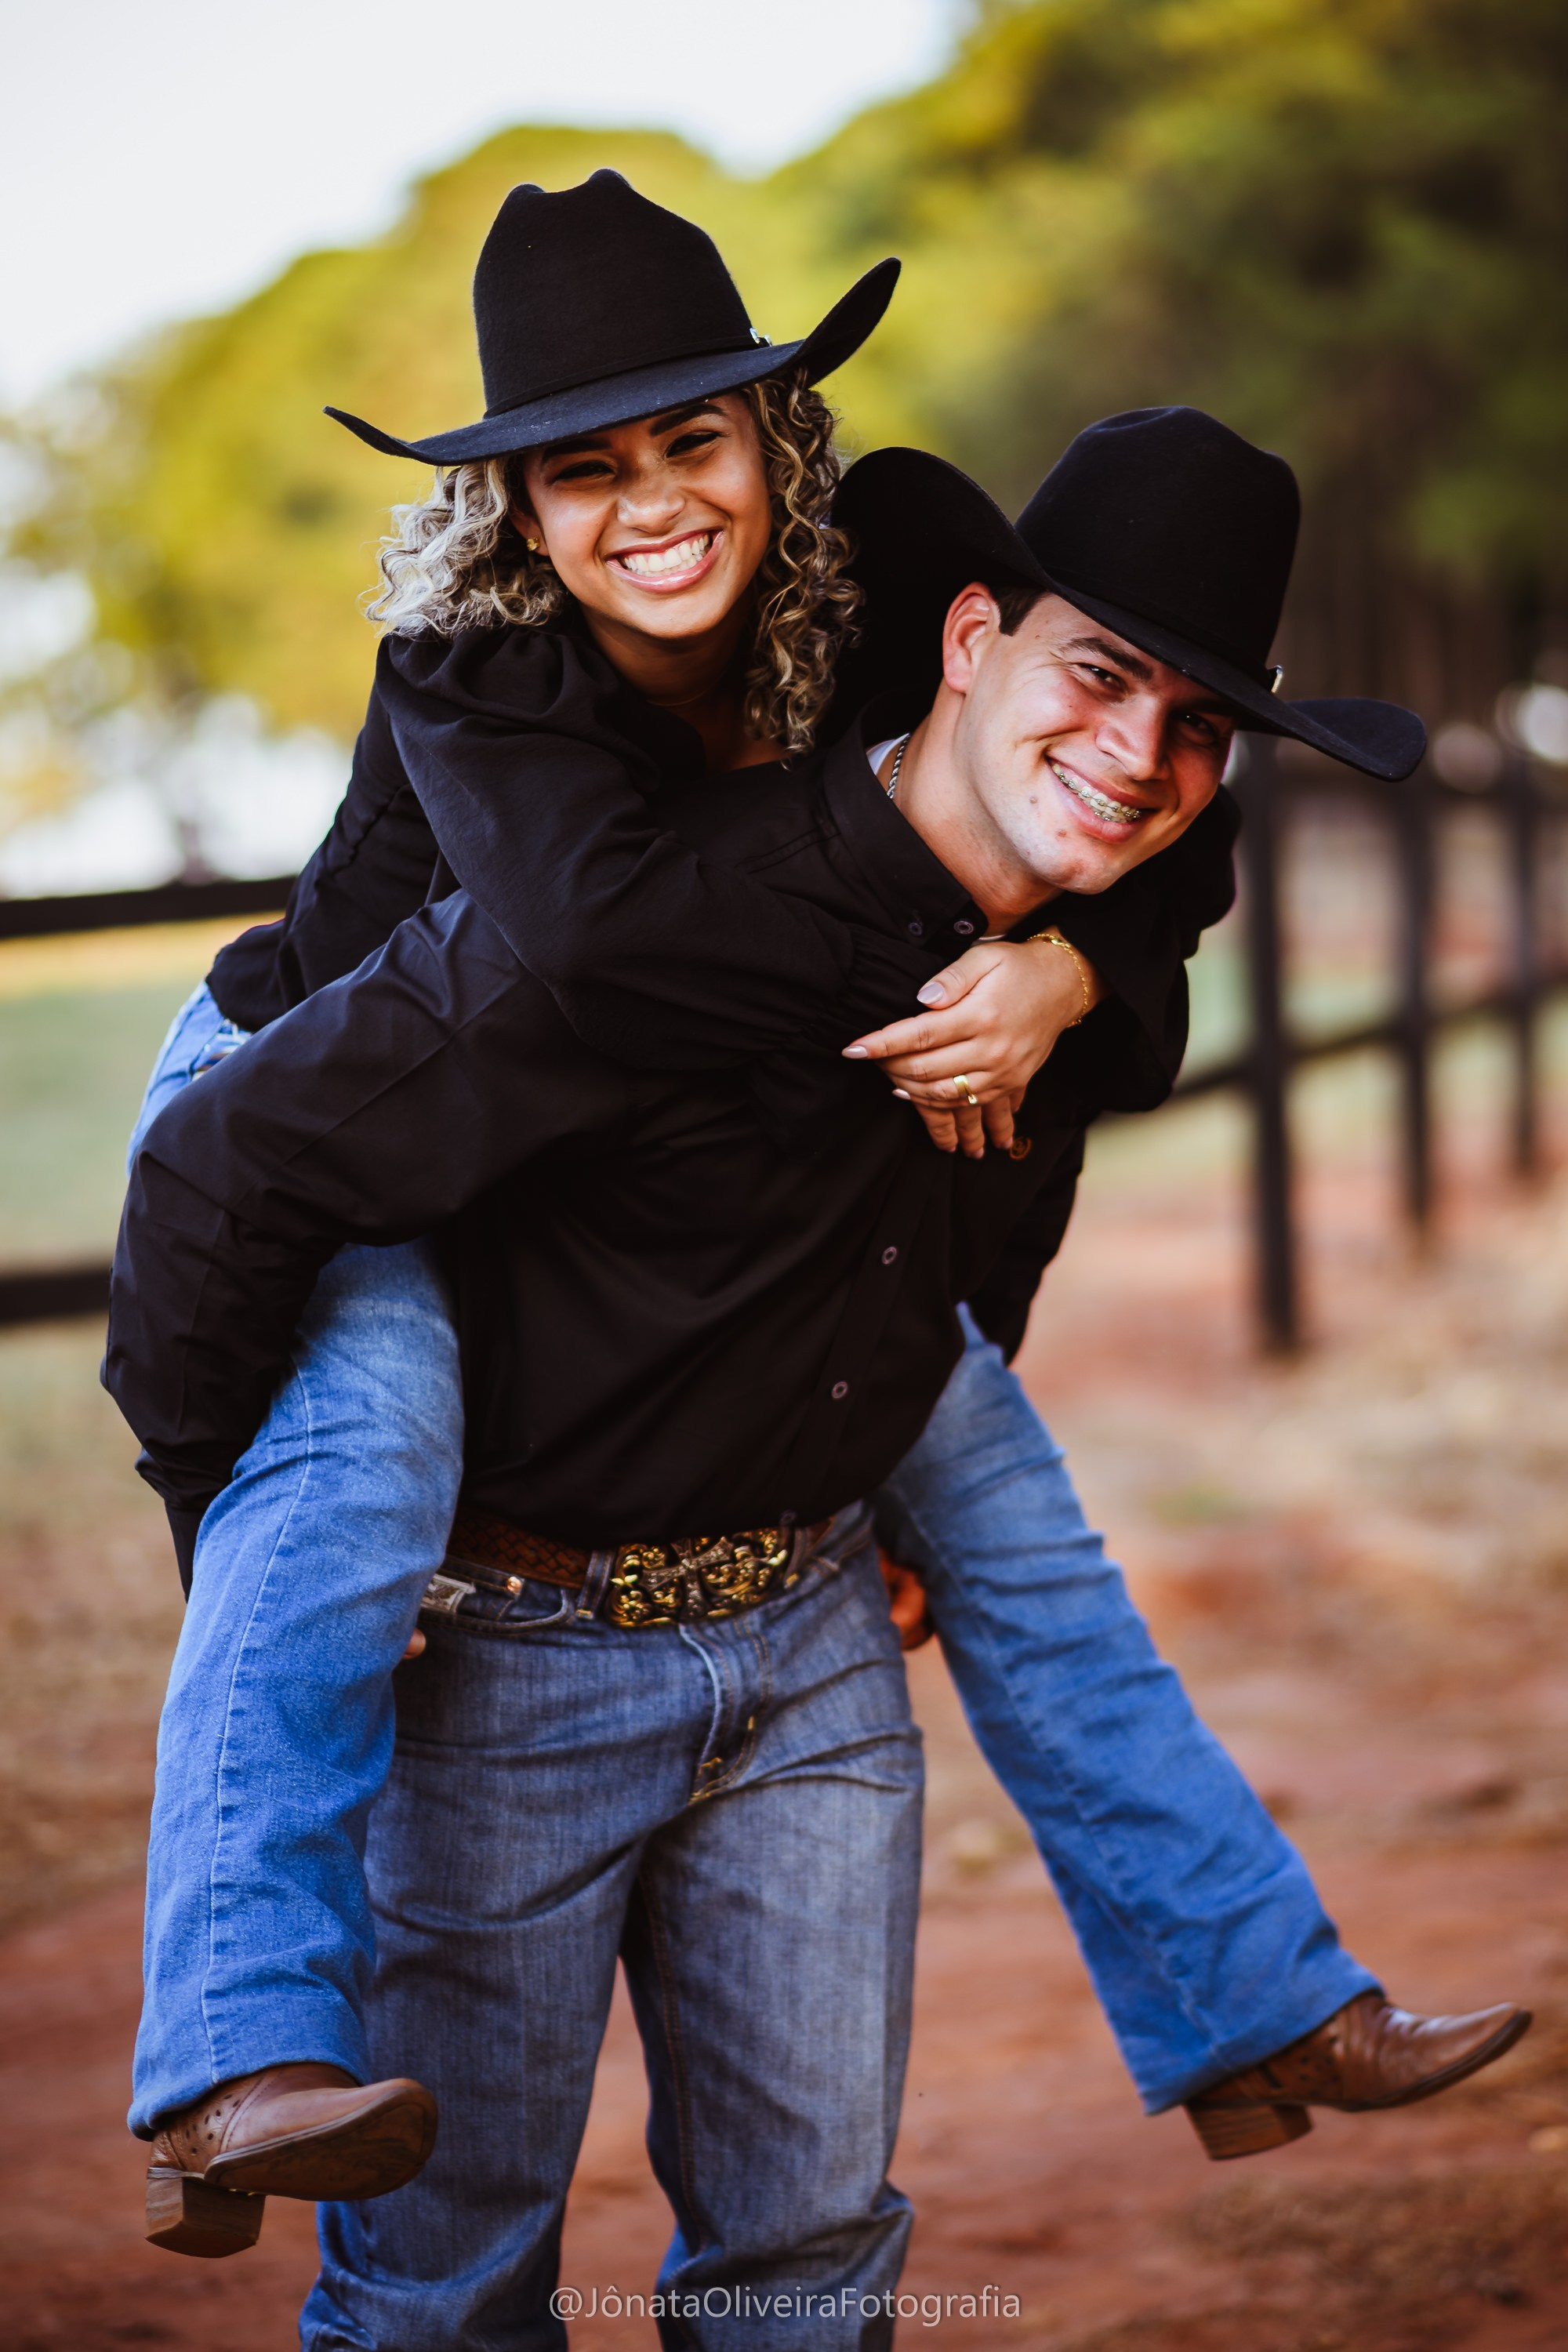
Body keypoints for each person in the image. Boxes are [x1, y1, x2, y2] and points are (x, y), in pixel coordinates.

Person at [111, 183, 1523, 2303]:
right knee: (356, 1477)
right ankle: (232, 2053)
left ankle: (1254, 1993)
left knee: (1012, 1514)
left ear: (780, 440)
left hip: (650, 1115)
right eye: (587, 469)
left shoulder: (891, 600)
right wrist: (207, 1501)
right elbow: (584, 953)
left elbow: (1137, 776)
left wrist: (1069, 971)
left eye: (699, 441)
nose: (657, 504)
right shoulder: (482, 690)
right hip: (317, 1099)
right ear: (513, 506)